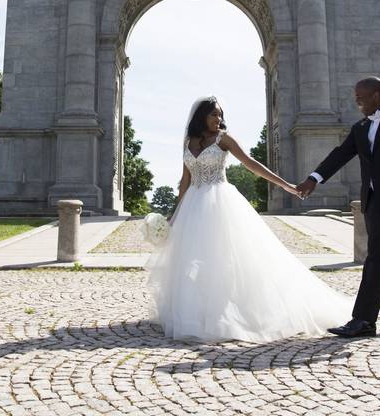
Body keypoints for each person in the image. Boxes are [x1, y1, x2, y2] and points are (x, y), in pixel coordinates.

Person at [145, 96, 352, 343]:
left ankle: (230, 314)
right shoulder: (188, 142)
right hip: (193, 206)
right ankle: (195, 315)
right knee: (192, 262)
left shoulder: (224, 139)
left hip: (220, 202)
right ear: (202, 116)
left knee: (226, 260)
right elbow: (185, 180)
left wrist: (285, 186)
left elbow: (251, 164)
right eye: (214, 115)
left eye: (220, 115)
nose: (219, 119)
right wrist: (174, 214)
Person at [296, 76, 380, 338]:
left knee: (378, 256)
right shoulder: (360, 127)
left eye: (361, 97)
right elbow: (340, 154)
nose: (357, 102)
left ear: (377, 95)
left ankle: (363, 320)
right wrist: (314, 178)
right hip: (372, 201)